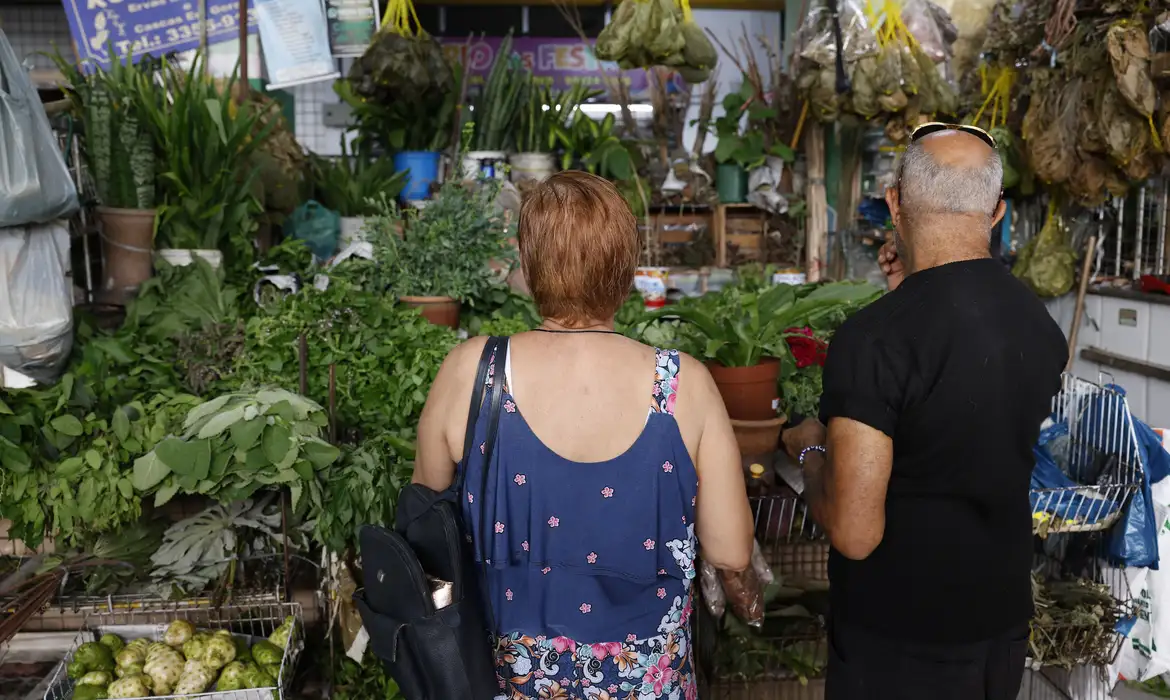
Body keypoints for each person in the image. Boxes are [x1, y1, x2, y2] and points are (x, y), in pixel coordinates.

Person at [414, 170, 754, 700]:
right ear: (629, 270)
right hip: (647, 683)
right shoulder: (683, 384)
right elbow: (732, 552)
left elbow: (423, 521)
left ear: (527, 267)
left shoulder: (472, 371)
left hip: (504, 676)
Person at [782, 125, 1068, 700]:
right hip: (1001, 623)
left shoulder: (876, 339)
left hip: (900, 638)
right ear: (995, 213)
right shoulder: (1038, 323)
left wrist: (812, 450)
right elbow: (959, 389)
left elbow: (855, 533)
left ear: (894, 202)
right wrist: (906, 295)